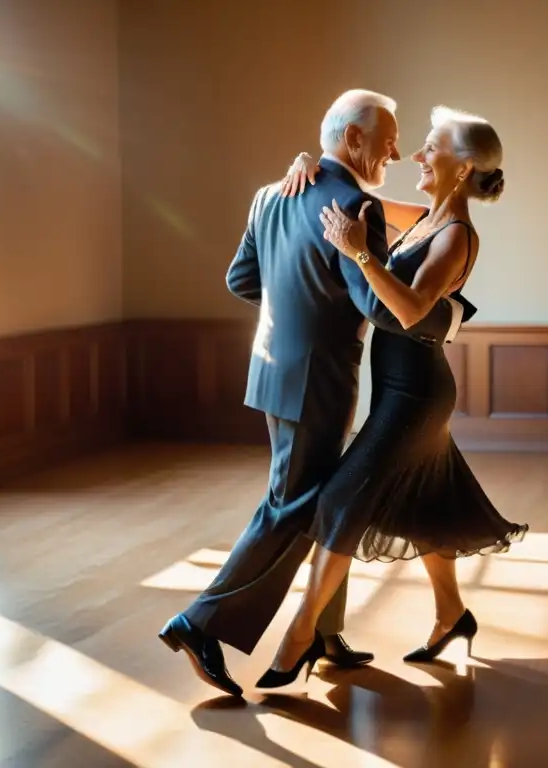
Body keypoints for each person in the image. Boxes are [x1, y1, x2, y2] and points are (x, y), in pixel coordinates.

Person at [157, 90, 467, 698]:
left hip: (271, 372)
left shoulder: (272, 194)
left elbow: (241, 278)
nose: (397, 151)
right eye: (388, 139)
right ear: (354, 140)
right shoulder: (355, 207)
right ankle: (198, 625)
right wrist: (452, 315)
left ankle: (326, 636)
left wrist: (297, 315)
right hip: (317, 384)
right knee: (290, 508)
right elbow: (382, 307)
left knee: (329, 504)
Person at [254, 106, 528, 688]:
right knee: (427, 504)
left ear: (463, 168)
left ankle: (298, 638)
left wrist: (359, 253)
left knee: (339, 504)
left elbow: (407, 310)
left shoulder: (455, 236)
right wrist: (309, 165)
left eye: (431, 148)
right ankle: (453, 615)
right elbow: (354, 200)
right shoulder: (428, 219)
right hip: (401, 390)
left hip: (417, 396)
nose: (418, 158)